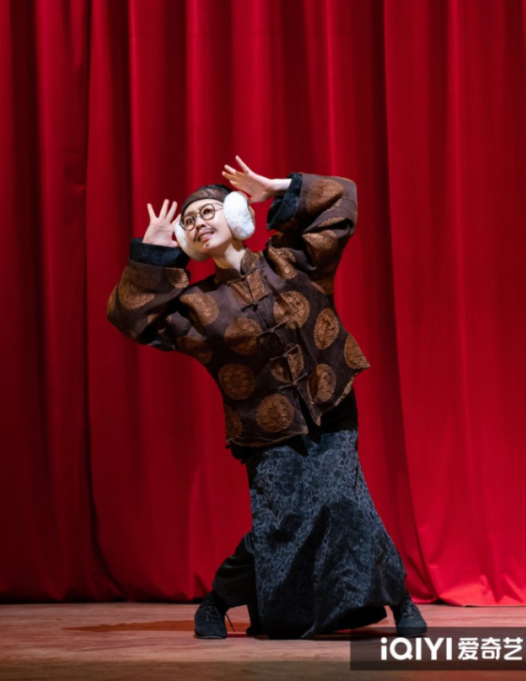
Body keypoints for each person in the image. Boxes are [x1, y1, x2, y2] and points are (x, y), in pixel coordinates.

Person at [107, 157, 427, 639]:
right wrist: (154, 256)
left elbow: (343, 199)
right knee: (281, 524)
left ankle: (400, 602)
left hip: (329, 401)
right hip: (264, 427)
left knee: (344, 500)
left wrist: (278, 187)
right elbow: (131, 318)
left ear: (236, 215)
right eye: (189, 222)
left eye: (208, 211)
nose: (198, 222)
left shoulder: (289, 259)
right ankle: (217, 601)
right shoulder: (195, 307)